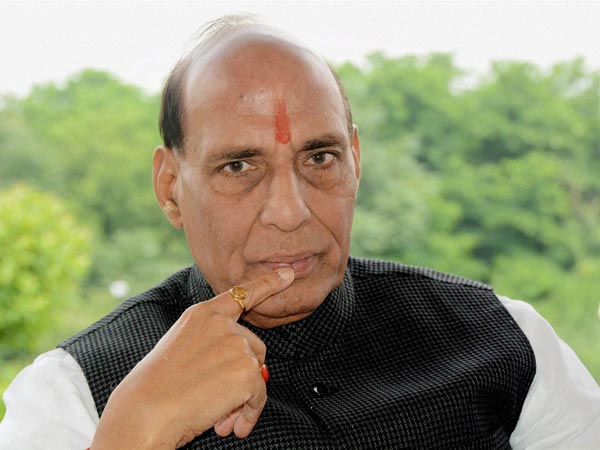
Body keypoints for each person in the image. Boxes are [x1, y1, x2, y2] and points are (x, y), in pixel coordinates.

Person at [1, 15, 600, 450]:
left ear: (355, 161)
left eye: (319, 158)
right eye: (239, 166)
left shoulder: (505, 337)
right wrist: (136, 432)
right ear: (170, 188)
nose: (289, 213)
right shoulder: (71, 396)